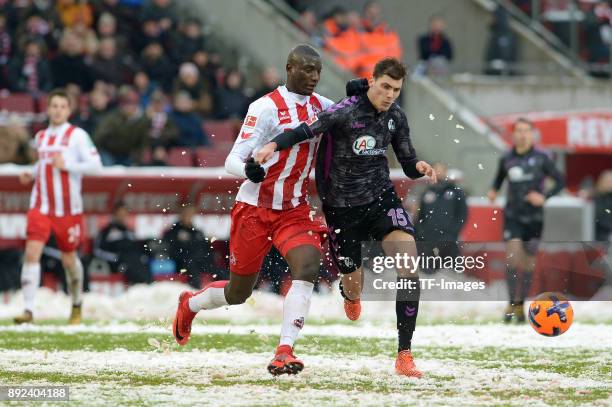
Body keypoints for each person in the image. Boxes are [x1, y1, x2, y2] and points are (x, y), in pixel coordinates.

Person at [256, 58, 437, 378]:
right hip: (342, 210)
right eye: (385, 87)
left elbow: (406, 160)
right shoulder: (345, 110)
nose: (390, 95)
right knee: (353, 283)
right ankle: (350, 295)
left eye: (396, 90)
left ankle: (404, 354)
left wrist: (419, 167)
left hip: (382, 200)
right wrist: (272, 144)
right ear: (372, 81)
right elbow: (304, 131)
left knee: (409, 266)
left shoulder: (396, 116)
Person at [172, 44, 334, 376]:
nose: (314, 77)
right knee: (237, 292)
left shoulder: (326, 107)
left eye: (318, 71)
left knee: (307, 266)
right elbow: (233, 158)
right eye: (307, 70)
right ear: (289, 68)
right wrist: (249, 170)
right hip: (254, 209)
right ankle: (190, 304)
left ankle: (284, 350)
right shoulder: (264, 108)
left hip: (295, 209)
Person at [14, 88, 103, 325]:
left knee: (69, 260)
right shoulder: (41, 136)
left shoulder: (77, 135)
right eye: (54, 106)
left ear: (69, 110)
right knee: (32, 252)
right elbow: (44, 165)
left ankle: (76, 303)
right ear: (48, 108)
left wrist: (69, 164)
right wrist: (31, 174)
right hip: (40, 205)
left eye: (62, 106)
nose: (57, 110)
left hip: (68, 209)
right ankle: (28, 310)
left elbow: (96, 165)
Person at [487, 118, 564, 323]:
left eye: (526, 131)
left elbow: (560, 181)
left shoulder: (542, 158)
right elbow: (499, 178)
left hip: (534, 218)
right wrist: (493, 190)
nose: (522, 134)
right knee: (512, 257)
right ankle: (511, 303)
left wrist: (544, 197)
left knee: (529, 264)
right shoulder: (506, 158)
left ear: (532, 134)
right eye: (519, 130)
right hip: (512, 215)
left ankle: (522, 304)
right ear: (514, 134)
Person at [415, 163, 467, 273]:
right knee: (428, 274)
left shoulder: (455, 192)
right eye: (436, 170)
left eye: (441, 170)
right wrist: (423, 233)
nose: (438, 173)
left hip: (449, 241)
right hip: (429, 242)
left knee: (453, 275)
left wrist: (453, 231)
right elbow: (419, 216)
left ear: (446, 172)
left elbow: (462, 214)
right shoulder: (427, 193)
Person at [93, 201, 151, 284]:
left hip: (134, 261)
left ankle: (149, 286)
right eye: (120, 214)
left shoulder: (130, 232)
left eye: (125, 214)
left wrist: (142, 257)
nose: (122, 216)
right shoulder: (106, 232)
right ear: (115, 214)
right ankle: (140, 288)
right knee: (130, 269)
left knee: (144, 266)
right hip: (117, 263)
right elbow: (97, 251)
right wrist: (116, 258)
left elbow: (137, 249)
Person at [162, 204, 215, 288]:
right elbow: (170, 250)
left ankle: (225, 292)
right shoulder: (172, 232)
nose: (188, 215)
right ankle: (195, 292)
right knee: (192, 265)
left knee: (217, 268)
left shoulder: (197, 232)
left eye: (191, 213)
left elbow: (205, 249)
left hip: (200, 261)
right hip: (182, 263)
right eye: (186, 213)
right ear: (180, 213)